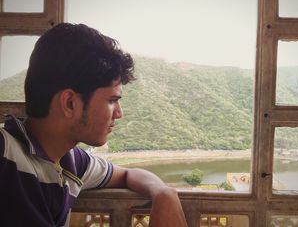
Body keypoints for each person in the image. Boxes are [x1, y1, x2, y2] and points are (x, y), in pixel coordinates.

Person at [0, 23, 188, 227]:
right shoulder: (6, 156)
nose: (119, 113)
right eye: (112, 100)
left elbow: (127, 174)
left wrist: (163, 193)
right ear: (70, 103)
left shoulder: (71, 162)